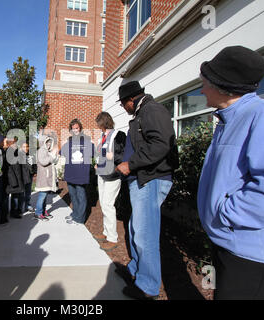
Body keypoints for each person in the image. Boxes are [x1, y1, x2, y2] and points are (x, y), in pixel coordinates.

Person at [197, 46, 264, 300]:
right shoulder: (230, 119)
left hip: (251, 255)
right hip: (228, 243)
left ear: (222, 86)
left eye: (204, 83)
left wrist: (226, 213)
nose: (201, 90)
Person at [115, 80, 179, 300]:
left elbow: (161, 143)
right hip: (142, 179)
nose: (123, 108)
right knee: (136, 228)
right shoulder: (142, 113)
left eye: (123, 104)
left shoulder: (152, 110)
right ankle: (136, 270)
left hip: (151, 179)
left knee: (145, 233)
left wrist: (130, 164)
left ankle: (147, 286)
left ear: (130, 100)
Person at [93, 112, 126, 252]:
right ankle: (106, 232)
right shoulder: (102, 136)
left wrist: (111, 156)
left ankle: (112, 238)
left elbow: (122, 154)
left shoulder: (119, 135)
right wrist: (98, 163)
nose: (99, 128)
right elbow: (101, 153)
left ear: (105, 123)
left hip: (113, 175)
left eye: (100, 125)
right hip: (101, 174)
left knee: (108, 204)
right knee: (103, 204)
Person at [60, 119, 95, 225]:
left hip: (81, 173)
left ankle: (80, 218)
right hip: (70, 172)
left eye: (77, 128)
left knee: (80, 195)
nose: (75, 130)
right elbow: (62, 152)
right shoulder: (69, 141)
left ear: (80, 128)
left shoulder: (86, 140)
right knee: (73, 195)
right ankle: (75, 214)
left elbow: (93, 153)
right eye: (73, 128)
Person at [34, 133, 59, 221]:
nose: (49, 144)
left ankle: (43, 211)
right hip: (43, 178)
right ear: (42, 143)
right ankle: (38, 213)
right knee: (42, 196)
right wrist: (51, 156)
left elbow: (53, 162)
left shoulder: (47, 151)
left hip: (47, 177)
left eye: (50, 142)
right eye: (47, 142)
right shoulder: (41, 150)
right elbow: (43, 162)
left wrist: (55, 157)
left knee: (44, 196)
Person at [19, 142, 36, 214]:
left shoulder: (30, 155)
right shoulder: (19, 156)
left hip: (29, 176)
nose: (26, 148)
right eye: (24, 147)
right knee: (21, 193)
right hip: (22, 177)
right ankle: (20, 208)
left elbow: (34, 165)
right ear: (20, 148)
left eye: (27, 146)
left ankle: (27, 205)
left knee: (28, 193)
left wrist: (34, 172)